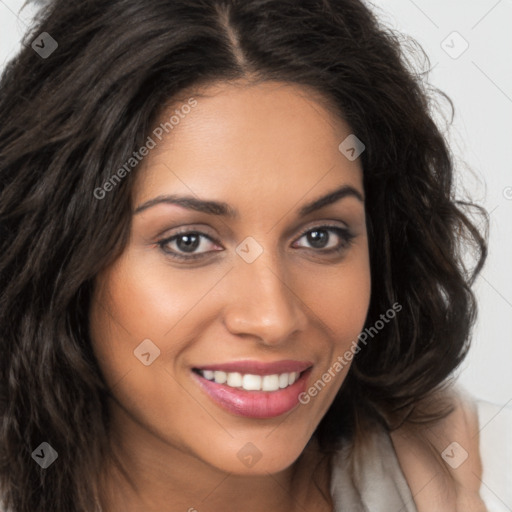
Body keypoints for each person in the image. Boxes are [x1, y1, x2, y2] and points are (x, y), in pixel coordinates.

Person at [0, 1, 509, 511]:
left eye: (320, 237)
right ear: (60, 260)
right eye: (189, 242)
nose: (272, 318)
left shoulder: (487, 473)